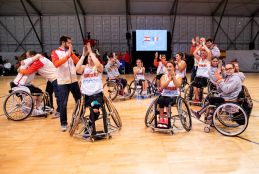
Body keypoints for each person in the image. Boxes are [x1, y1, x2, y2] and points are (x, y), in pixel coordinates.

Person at [18, 50, 61, 119]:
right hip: (51, 78)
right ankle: (50, 107)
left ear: (32, 56)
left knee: (58, 95)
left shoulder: (38, 61)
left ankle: (60, 111)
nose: (26, 58)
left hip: (56, 78)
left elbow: (30, 71)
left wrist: (19, 70)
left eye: (27, 56)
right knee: (48, 93)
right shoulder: (38, 58)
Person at [51, 35, 81, 132]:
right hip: (63, 82)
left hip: (74, 81)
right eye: (68, 42)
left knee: (79, 101)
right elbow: (56, 64)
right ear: (63, 43)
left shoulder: (70, 53)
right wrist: (68, 55)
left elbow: (77, 61)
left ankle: (80, 117)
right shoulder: (55, 52)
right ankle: (63, 123)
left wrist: (71, 54)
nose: (70, 44)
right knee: (63, 104)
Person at [157, 60, 182, 128]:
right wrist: (169, 80)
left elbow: (177, 85)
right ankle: (161, 119)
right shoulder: (164, 76)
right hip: (165, 94)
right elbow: (162, 87)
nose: (168, 68)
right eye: (167, 67)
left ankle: (168, 120)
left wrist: (173, 78)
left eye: (170, 66)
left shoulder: (179, 77)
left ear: (174, 67)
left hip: (174, 95)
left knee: (168, 101)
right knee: (161, 100)